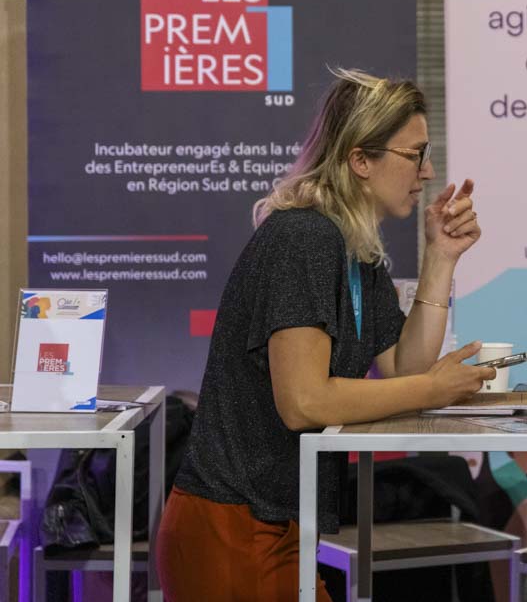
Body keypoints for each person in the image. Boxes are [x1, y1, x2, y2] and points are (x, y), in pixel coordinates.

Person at [155, 69, 495, 601]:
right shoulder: (304, 237)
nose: (427, 172)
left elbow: (403, 369)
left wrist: (441, 258)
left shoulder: (355, 246)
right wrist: (433, 389)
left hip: (277, 520)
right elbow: (304, 402)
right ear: (361, 160)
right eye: (415, 155)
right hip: (235, 525)